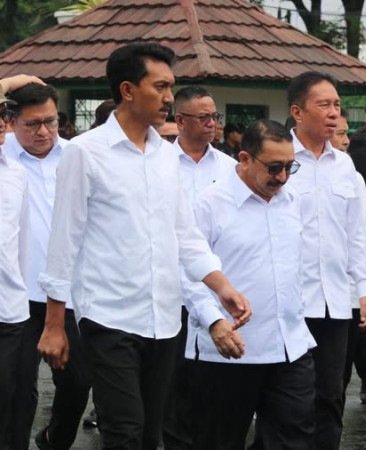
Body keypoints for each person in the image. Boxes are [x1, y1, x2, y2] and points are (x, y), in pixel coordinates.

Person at [36, 43, 251, 450]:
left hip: (165, 318)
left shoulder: (164, 155)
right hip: (108, 316)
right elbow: (64, 240)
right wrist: (53, 324)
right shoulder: (85, 152)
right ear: (128, 90)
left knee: (152, 435)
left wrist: (222, 287)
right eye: (161, 86)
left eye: (172, 86)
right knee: (125, 431)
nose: (170, 97)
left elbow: (184, 234)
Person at [187, 119, 316, 450]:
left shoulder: (293, 200)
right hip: (229, 350)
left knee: (293, 441)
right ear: (244, 159)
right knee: (220, 441)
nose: (283, 177)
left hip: (289, 346)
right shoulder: (209, 203)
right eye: (274, 167)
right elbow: (187, 269)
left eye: (290, 167)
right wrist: (213, 320)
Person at [286, 71, 366, 450]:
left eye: (337, 105)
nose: (334, 113)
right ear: (297, 111)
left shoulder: (346, 167)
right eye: (323, 104)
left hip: (336, 305)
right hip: (289, 303)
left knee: (330, 397)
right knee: (289, 401)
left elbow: (359, 234)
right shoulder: (278, 160)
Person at [4, 82, 90, 450]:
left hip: (68, 293)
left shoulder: (78, 157)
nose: (43, 132)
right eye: (32, 124)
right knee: (16, 390)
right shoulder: (5, 160)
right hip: (19, 297)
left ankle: (54, 439)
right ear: (10, 122)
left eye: (50, 122)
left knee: (78, 381)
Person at [161, 86, 237, 450]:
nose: (212, 124)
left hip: (213, 291)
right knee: (173, 389)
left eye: (215, 116)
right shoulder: (159, 162)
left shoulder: (229, 168)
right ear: (179, 121)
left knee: (212, 392)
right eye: (203, 117)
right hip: (167, 294)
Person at [331, 109, 366, 405]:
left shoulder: (350, 175)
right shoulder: (288, 170)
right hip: (305, 291)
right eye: (339, 134)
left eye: (344, 134)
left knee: (338, 371)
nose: (344, 141)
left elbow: (365, 232)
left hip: (348, 284)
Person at [0, 75, 33, 450]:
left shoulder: (16, 174)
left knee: (10, 396)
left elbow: (21, 241)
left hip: (9, 309)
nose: (1, 123)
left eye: (5, 114)